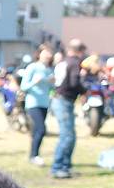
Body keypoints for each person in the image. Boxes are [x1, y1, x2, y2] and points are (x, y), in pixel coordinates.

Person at [50, 39, 87, 179]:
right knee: (67, 136)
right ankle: (58, 167)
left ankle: (65, 166)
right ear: (79, 51)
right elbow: (74, 82)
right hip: (64, 100)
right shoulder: (74, 63)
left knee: (69, 135)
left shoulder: (65, 61)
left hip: (61, 99)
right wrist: (84, 91)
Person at [20, 47, 54, 166]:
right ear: (39, 55)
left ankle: (33, 154)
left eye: (49, 53)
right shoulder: (32, 67)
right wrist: (35, 82)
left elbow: (51, 89)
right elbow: (23, 86)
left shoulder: (49, 70)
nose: (47, 56)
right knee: (41, 129)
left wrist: (52, 84)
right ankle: (35, 155)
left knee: (36, 131)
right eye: (45, 53)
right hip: (33, 103)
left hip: (44, 103)